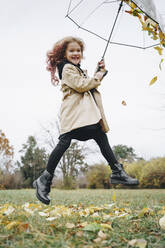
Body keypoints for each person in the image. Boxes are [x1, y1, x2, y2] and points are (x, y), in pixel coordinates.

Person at [33, 36, 139, 205]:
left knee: (98, 133)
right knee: (65, 142)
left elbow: (85, 81)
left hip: (81, 116)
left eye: (79, 51)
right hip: (74, 115)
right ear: (64, 53)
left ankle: (116, 171)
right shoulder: (66, 68)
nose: (76, 53)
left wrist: (98, 71)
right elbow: (82, 85)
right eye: (72, 50)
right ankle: (44, 180)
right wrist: (98, 76)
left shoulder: (75, 68)